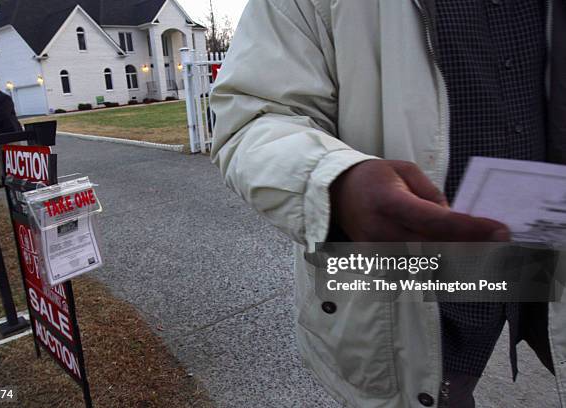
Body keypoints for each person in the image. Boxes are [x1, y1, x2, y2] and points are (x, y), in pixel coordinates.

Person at [210, 1, 566, 407]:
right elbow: (252, 117)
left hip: (540, 263)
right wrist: (337, 182)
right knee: (434, 385)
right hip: (399, 282)